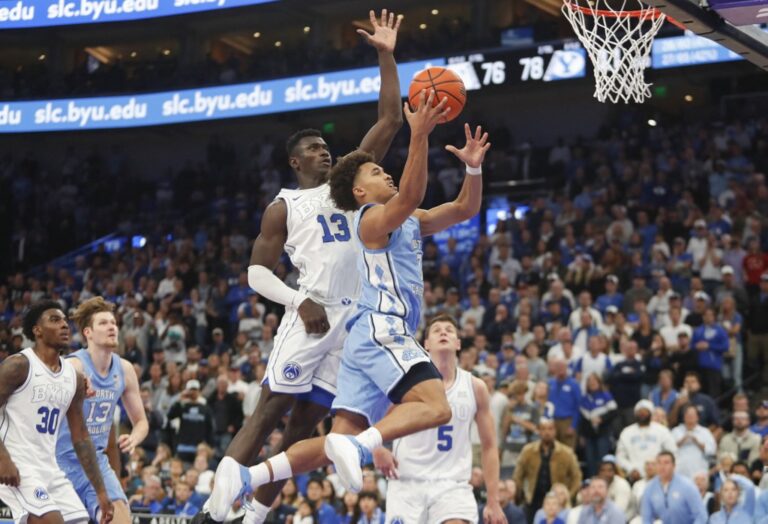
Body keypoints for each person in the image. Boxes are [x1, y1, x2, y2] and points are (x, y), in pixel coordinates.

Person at [207, 95, 491, 518]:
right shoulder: (371, 221)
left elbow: (465, 208)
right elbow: (411, 193)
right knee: (436, 406)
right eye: (378, 171)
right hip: (381, 328)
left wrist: (473, 167)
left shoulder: (407, 218)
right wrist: (420, 136)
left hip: (355, 335)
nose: (387, 172)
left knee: (334, 438)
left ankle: (251, 478)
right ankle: (361, 446)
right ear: (359, 191)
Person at [193, 10, 406, 524]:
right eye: (314, 148)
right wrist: (298, 299)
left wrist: (386, 54)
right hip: (311, 311)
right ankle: (212, 510)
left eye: (326, 145)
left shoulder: (348, 186)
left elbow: (391, 120)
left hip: (352, 320)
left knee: (306, 425)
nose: (324, 150)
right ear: (296, 161)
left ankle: (258, 515)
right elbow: (255, 275)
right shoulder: (284, 205)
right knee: (269, 409)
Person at [373, 314, 506, 524]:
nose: (443, 332)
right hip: (407, 483)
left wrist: (493, 500)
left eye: (449, 330)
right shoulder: (404, 383)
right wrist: (378, 449)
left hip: (452, 485)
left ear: (458, 343)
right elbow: (371, 419)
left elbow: (489, 446)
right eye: (436, 330)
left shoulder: (475, 387)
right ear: (426, 344)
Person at [0, 300, 114, 524]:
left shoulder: (73, 378)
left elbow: (81, 437)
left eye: (64, 320)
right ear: (37, 330)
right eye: (55, 320)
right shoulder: (18, 366)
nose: (64, 325)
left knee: (80, 520)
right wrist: (3, 458)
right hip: (15, 463)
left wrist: (100, 491)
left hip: (49, 467)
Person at [56, 297, 148, 524]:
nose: (112, 327)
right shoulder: (73, 367)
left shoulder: (125, 369)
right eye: (104, 323)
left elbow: (142, 422)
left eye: (114, 323)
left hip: (96, 463)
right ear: (88, 332)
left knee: (120, 519)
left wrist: (134, 438)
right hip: (60, 463)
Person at [513, 419, 582, 521]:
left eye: (550, 429)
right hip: (533, 499)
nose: (547, 432)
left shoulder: (566, 453)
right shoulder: (528, 451)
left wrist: (567, 496)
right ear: (539, 431)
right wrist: (522, 495)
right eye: (543, 429)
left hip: (557, 502)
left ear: (555, 431)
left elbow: (577, 477)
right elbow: (518, 476)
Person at [616, 400, 677, 482]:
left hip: (659, 476)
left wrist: (662, 468)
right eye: (639, 411)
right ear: (635, 414)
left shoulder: (662, 430)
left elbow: (672, 452)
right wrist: (631, 469)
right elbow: (620, 456)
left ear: (651, 413)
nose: (642, 414)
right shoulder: (626, 432)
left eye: (645, 411)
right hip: (635, 477)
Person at [640, 451, 706, 524]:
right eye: (659, 463)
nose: (662, 467)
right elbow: (646, 517)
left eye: (666, 463)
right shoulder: (650, 488)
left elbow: (701, 516)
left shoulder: (687, 486)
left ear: (674, 466)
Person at [670, 404, 716, 478]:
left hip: (699, 472)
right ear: (684, 417)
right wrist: (682, 441)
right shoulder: (676, 431)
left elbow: (712, 451)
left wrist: (697, 442)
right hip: (679, 471)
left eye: (692, 415)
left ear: (697, 417)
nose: (690, 418)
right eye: (688, 415)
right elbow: (669, 449)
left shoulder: (705, 432)